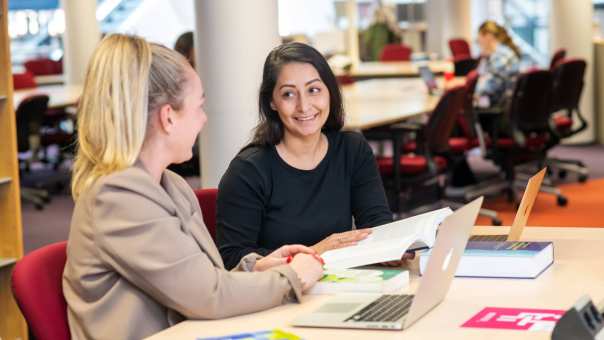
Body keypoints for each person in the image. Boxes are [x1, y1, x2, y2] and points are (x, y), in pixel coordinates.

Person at [63, 34, 323, 340]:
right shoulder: (117, 196)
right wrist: (291, 278)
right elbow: (207, 296)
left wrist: (257, 269)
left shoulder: (169, 184)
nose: (203, 120)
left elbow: (197, 283)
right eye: (198, 107)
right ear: (168, 118)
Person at [217, 42, 393, 270]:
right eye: (289, 94)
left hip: (342, 284)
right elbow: (232, 259)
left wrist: (397, 247)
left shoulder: (352, 149)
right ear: (272, 102)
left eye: (313, 90)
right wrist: (317, 252)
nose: (304, 106)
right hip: (278, 295)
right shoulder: (249, 170)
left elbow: (376, 225)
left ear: (330, 91)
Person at [475, 20, 522, 109]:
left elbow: (485, 90)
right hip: (503, 105)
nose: (478, 41)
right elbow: (481, 77)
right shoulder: (501, 52)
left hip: (499, 109)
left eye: (479, 37)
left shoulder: (500, 57)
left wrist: (465, 88)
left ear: (488, 36)